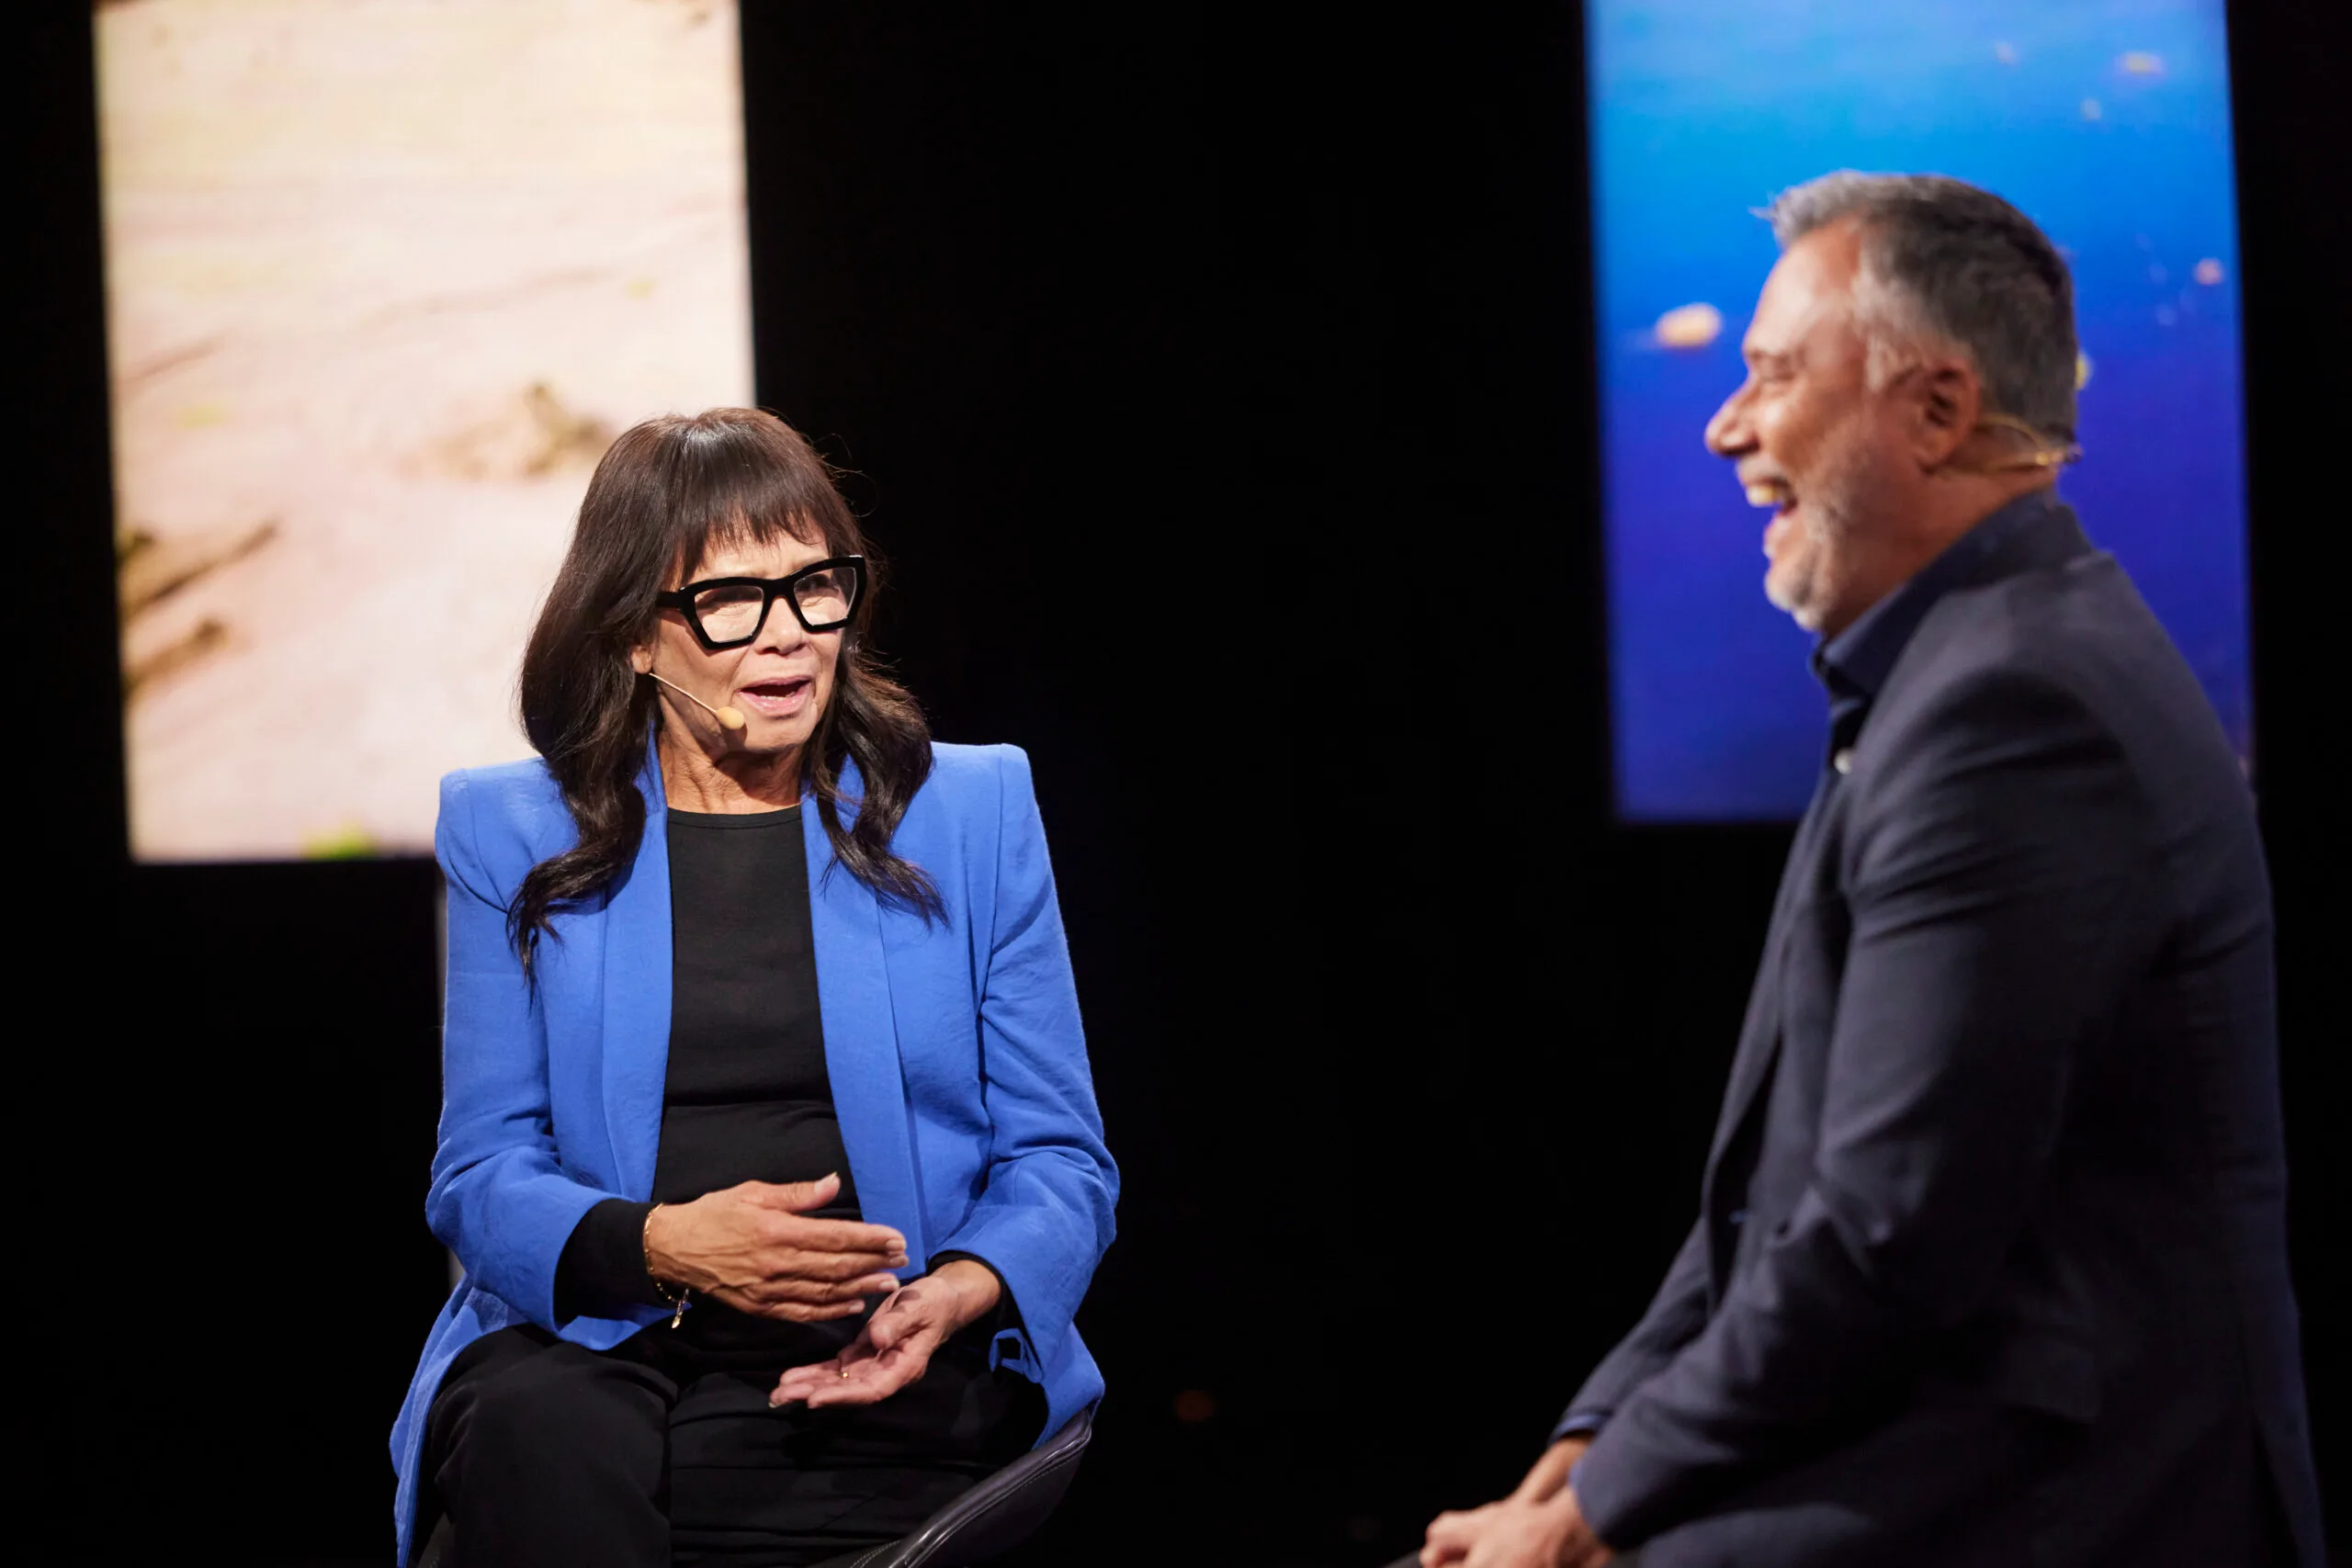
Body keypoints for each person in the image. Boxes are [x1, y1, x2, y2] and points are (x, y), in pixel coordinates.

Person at [1416, 174, 2324, 1567]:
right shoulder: (1969, 668)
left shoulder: (2020, 709)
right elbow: (1762, 1214)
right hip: (1933, 1440)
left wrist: (1594, 1515)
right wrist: (1590, 1446)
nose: (1726, 426)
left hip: (2064, 1496)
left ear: (1940, 409)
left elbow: (1885, 1240)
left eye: (1773, 375)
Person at [387, 408, 1117, 1567]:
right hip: (606, 1339)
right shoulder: (510, 828)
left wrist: (967, 1288)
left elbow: (1061, 1161)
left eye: (813, 587)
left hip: (890, 1349)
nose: (787, 639)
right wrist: (667, 1244)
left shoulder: (969, 809)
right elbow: (479, 1176)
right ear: (632, 632)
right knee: (539, 1428)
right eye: (730, 602)